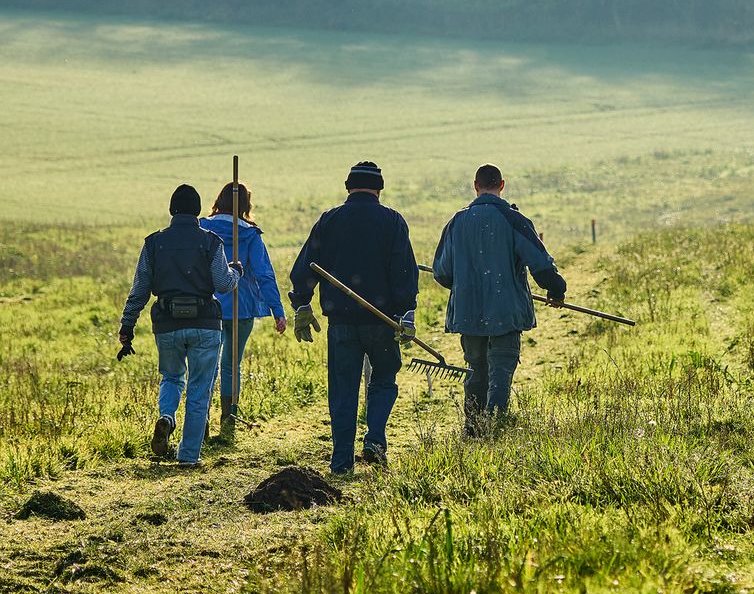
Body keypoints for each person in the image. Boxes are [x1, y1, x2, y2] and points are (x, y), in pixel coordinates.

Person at [288, 161, 419, 474]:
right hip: (383, 322)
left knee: (343, 390)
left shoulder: (329, 220)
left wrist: (302, 304)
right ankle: (374, 439)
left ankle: (341, 462)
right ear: (379, 189)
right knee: (384, 378)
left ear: (348, 187)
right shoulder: (392, 221)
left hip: (342, 324)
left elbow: (306, 265)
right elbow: (405, 273)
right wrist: (406, 312)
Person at [432, 164, 567, 437]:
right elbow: (539, 264)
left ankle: (473, 429)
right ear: (502, 185)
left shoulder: (457, 222)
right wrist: (556, 289)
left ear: (475, 185)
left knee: (475, 370)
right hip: (506, 312)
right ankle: (494, 428)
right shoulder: (514, 219)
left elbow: (442, 273)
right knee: (501, 372)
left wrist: (466, 284)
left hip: (468, 312)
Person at [118, 184, 242, 467]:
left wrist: (128, 325)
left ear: (171, 210)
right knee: (199, 391)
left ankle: (167, 416)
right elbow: (223, 284)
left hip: (168, 324)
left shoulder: (153, 243)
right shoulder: (211, 242)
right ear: (198, 211)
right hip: (205, 324)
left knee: (172, 377)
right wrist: (236, 271)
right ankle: (188, 457)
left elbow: (140, 290)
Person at [200, 182, 287, 433]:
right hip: (241, 306)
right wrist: (277, 310)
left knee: (206, 364)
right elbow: (264, 274)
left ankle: (200, 421)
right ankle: (229, 418)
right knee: (231, 364)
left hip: (209, 306)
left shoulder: (203, 228)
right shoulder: (249, 233)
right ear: (246, 204)